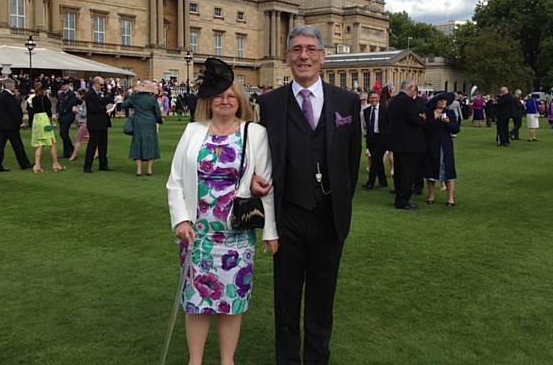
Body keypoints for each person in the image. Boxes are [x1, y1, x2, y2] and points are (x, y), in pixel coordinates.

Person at [252, 25, 361, 364]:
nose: (304, 56)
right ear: (287, 57)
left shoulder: (347, 101)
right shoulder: (270, 103)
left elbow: (352, 159)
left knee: (321, 299)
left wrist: (340, 199)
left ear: (323, 57)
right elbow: (260, 154)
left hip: (329, 218)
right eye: (297, 49)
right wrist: (254, 182)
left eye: (311, 49)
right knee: (286, 299)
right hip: (289, 217)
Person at [166, 58, 277, 365]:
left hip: (236, 237)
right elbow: (175, 180)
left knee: (231, 302)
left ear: (240, 101)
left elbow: (266, 185)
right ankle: (196, 360)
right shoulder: (192, 131)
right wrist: (181, 219)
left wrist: (270, 233)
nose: (225, 101)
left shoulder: (255, 134)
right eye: (219, 96)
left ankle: (227, 360)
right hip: (197, 235)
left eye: (231, 96)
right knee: (196, 302)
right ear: (209, 101)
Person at [388, 79, 426, 210]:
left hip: (397, 142)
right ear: (410, 88)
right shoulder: (408, 102)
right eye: (414, 89)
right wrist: (422, 118)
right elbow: (414, 120)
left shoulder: (393, 101)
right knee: (408, 173)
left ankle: (399, 197)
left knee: (399, 172)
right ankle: (403, 200)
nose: (414, 92)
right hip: (409, 143)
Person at [424, 92, 460, 206]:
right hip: (432, 145)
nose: (443, 102)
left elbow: (456, 129)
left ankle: (450, 198)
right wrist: (434, 119)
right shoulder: (429, 113)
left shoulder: (449, 113)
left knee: (448, 171)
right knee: (430, 172)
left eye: (445, 100)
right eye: (441, 100)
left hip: (445, 146)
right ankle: (431, 195)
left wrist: (448, 122)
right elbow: (426, 128)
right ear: (436, 101)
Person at [122, 81, 162, 176]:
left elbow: (123, 105)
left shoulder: (135, 97)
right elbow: (157, 113)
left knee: (137, 143)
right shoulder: (152, 99)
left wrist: (133, 104)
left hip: (138, 122)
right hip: (150, 122)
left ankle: (139, 170)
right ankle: (149, 170)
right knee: (151, 144)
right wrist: (159, 120)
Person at [0, 78, 32, 172]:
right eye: (14, 85)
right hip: (10, 126)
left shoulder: (1, 96)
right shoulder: (8, 97)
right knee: (18, 145)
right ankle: (24, 164)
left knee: (0, 146)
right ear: (10, 86)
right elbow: (13, 111)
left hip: (2, 125)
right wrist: (20, 122)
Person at [30, 83, 65, 173]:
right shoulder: (44, 99)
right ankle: (55, 163)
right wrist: (51, 121)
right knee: (52, 142)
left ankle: (37, 165)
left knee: (40, 143)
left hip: (37, 120)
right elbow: (48, 111)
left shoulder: (33, 99)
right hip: (44, 119)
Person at [83, 76, 113, 173]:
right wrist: (105, 108)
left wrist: (109, 99)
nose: (102, 86)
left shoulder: (98, 93)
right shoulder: (89, 94)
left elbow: (101, 102)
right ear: (95, 84)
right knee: (92, 145)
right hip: (95, 123)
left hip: (102, 123)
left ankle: (103, 164)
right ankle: (87, 166)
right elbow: (92, 108)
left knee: (103, 145)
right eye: (100, 85)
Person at [361, 90, 387, 189]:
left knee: (375, 159)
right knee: (378, 160)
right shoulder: (366, 111)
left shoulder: (385, 110)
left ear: (379, 98)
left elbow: (389, 126)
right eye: (371, 98)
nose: (373, 99)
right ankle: (383, 182)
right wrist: (367, 143)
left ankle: (370, 183)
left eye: (375, 97)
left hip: (381, 138)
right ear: (369, 99)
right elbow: (367, 127)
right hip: (371, 138)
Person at [56, 79, 78, 158]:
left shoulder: (72, 94)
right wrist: (57, 112)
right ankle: (66, 152)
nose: (63, 86)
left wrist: (61, 112)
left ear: (68, 85)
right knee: (63, 133)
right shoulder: (61, 94)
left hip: (68, 116)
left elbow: (69, 105)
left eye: (64, 84)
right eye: (62, 84)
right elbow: (58, 104)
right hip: (62, 116)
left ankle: (71, 148)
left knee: (63, 133)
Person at [69, 89, 90, 161]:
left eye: (78, 94)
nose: (77, 96)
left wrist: (77, 110)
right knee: (89, 139)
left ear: (82, 95)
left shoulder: (86, 103)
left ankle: (74, 155)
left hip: (84, 123)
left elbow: (84, 114)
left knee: (77, 139)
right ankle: (96, 153)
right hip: (82, 123)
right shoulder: (83, 103)